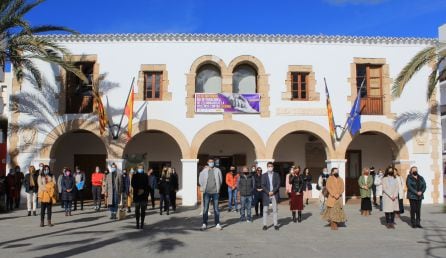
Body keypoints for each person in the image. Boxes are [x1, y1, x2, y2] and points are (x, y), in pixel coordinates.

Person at [199, 158, 223, 231]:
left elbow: (220, 180)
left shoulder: (218, 170)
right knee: (205, 209)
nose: (211, 163)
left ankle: (217, 223)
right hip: (207, 192)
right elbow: (200, 180)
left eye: (212, 162)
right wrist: (203, 187)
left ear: (214, 163)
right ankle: (204, 224)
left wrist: (217, 188)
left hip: (215, 192)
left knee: (216, 209)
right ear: (207, 162)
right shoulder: (204, 171)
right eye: (210, 162)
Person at [261, 162, 281, 231]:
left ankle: (275, 224)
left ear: (273, 167)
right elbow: (262, 185)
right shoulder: (264, 175)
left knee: (275, 210)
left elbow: (278, 184)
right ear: (267, 167)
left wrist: (273, 191)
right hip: (266, 194)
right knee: (265, 210)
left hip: (274, 194)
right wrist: (268, 192)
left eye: (271, 166)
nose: (270, 167)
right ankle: (265, 225)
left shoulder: (276, 175)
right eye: (269, 166)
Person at [132, 165, 150, 229]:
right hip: (137, 195)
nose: (140, 169)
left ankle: (142, 223)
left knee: (143, 211)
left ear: (143, 169)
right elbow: (133, 184)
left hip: (144, 196)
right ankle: (137, 223)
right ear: (137, 169)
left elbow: (147, 185)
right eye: (139, 168)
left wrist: (143, 190)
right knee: (137, 210)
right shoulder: (134, 175)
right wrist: (138, 190)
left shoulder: (145, 176)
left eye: (141, 168)